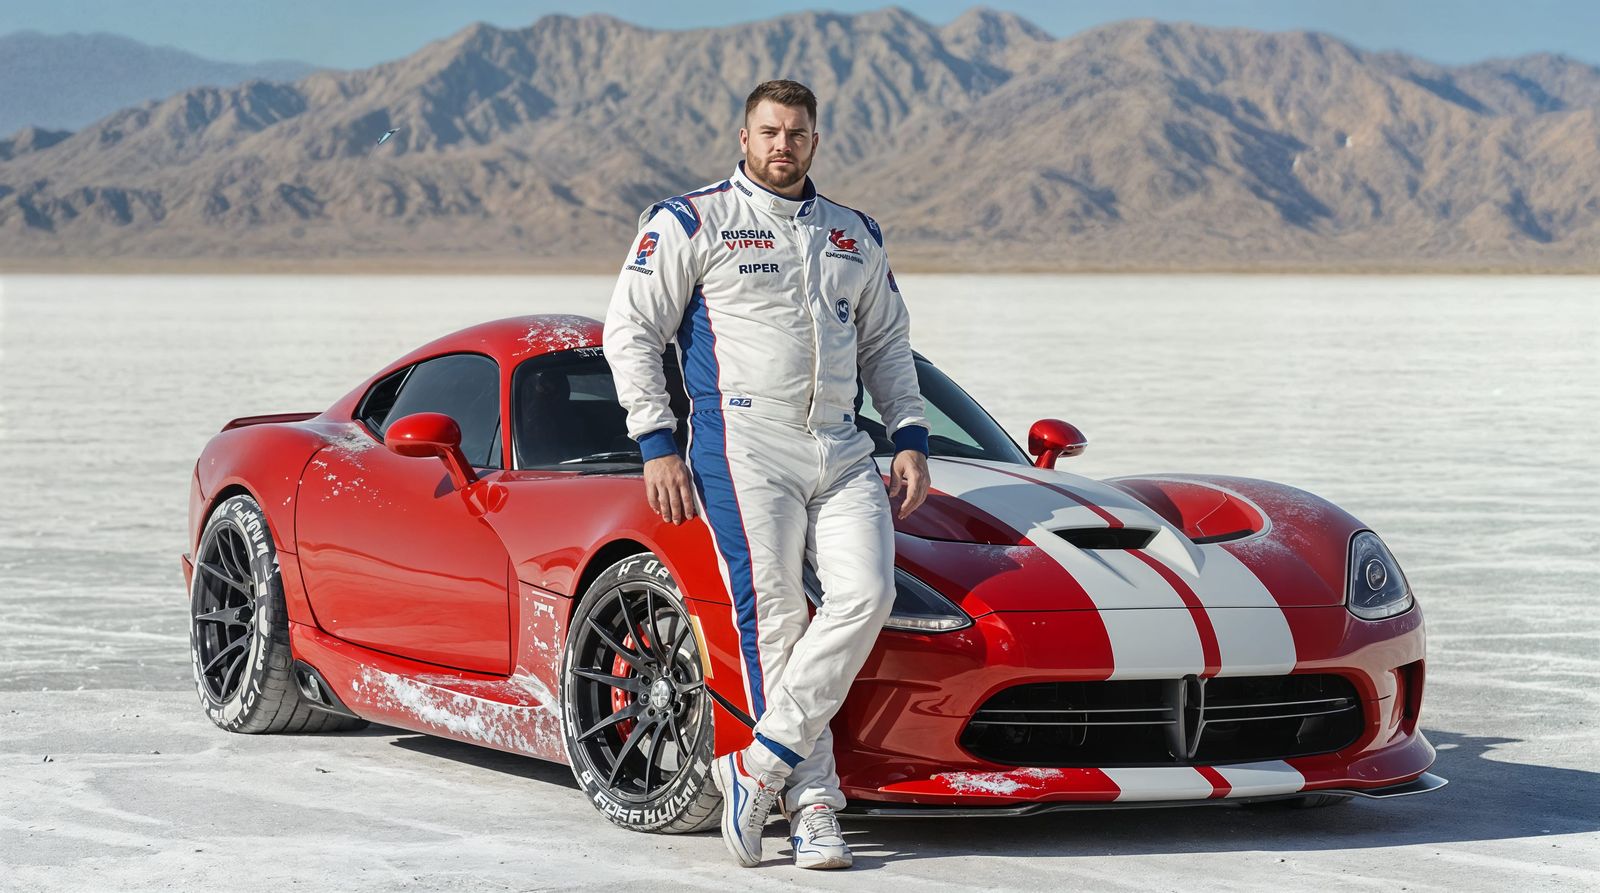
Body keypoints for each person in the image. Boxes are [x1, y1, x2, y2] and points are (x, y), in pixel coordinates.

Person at [602, 79, 930, 870]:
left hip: (843, 445)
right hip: (744, 443)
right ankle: (815, 806)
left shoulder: (854, 234)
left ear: (816, 142)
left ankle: (757, 769)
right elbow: (631, 330)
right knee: (777, 618)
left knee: (867, 593)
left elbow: (887, 344)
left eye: (798, 134)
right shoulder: (691, 220)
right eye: (770, 132)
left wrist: (911, 435)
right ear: (744, 139)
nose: (784, 145)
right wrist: (656, 442)